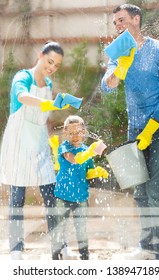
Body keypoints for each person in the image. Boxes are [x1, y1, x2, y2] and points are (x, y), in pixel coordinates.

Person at [101, 4, 159, 260]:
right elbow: (107, 86)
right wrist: (119, 69)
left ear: (136, 19)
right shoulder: (119, 54)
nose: (118, 26)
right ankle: (147, 249)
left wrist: (153, 125)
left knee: (155, 192)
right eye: (115, 23)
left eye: (122, 20)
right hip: (135, 130)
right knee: (140, 192)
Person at [0, 41, 74, 260]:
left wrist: (54, 105)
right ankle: (15, 249)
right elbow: (22, 97)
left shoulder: (48, 83)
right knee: (17, 196)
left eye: (57, 65)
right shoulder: (23, 77)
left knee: (51, 194)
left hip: (39, 141)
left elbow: (44, 118)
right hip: (18, 142)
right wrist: (47, 104)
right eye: (49, 61)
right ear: (41, 56)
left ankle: (60, 246)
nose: (52, 67)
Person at [53, 115, 108, 260]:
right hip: (62, 196)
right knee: (59, 228)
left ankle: (85, 257)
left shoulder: (85, 150)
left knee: (81, 229)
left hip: (81, 197)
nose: (75, 136)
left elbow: (87, 172)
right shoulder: (64, 148)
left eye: (78, 132)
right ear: (65, 132)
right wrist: (90, 152)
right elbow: (74, 160)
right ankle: (54, 258)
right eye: (71, 133)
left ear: (84, 131)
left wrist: (96, 171)